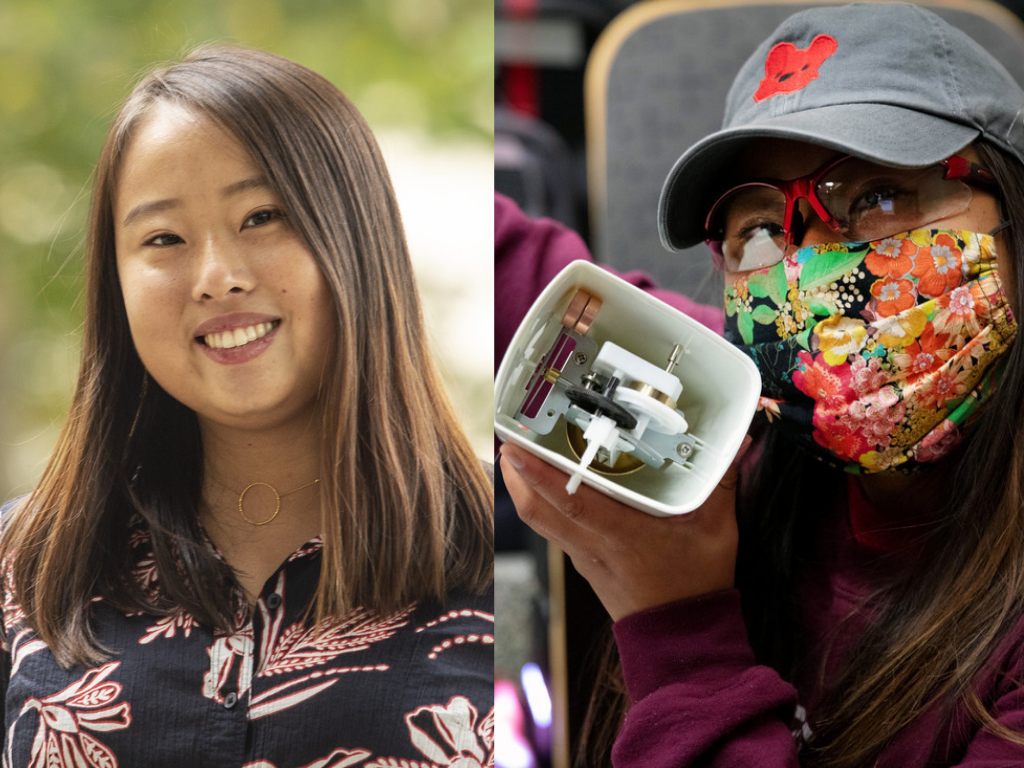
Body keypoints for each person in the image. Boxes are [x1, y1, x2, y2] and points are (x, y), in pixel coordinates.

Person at [500, 3, 1024, 766]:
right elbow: (517, 275)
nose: (808, 281)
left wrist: (676, 628)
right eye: (761, 229)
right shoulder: (738, 403)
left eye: (876, 198)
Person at [0, 47, 494, 767]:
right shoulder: (24, 569)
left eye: (262, 217)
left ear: (356, 240)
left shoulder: (505, 548)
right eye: (163, 238)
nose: (217, 277)